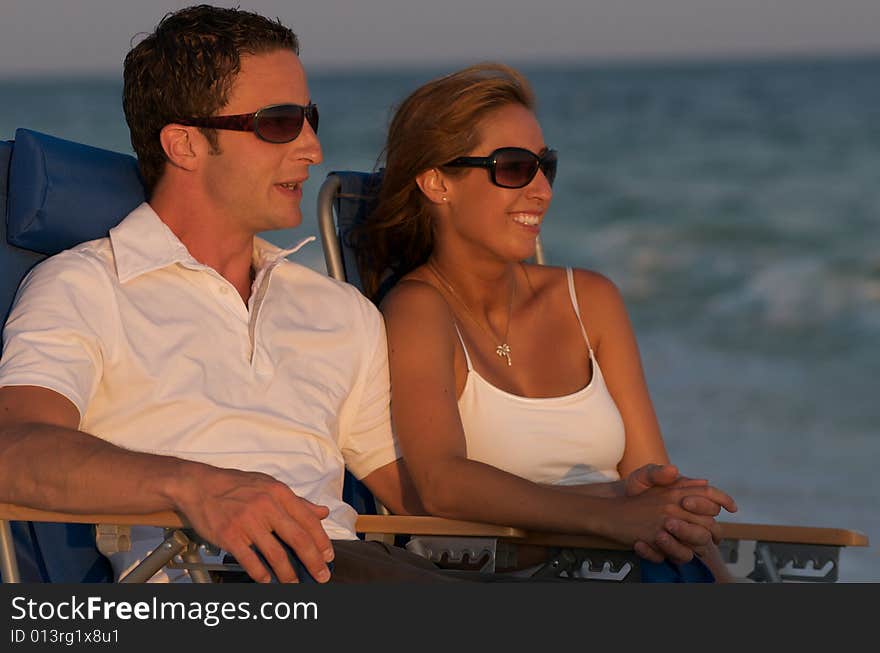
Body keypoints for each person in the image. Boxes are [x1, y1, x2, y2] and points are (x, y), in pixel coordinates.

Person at [0, 4, 460, 584]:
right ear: (185, 144)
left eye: (310, 118)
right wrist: (199, 486)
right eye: (278, 123)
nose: (313, 149)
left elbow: (427, 491)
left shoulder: (339, 312)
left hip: (347, 570)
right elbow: (12, 448)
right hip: (209, 579)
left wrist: (591, 505)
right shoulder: (86, 286)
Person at [357, 63, 738, 581]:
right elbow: (442, 483)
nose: (542, 190)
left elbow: (649, 479)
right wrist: (609, 513)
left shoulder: (591, 300)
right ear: (436, 182)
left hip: (623, 563)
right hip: (516, 572)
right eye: (513, 167)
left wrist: (669, 513)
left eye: (545, 166)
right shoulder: (419, 310)